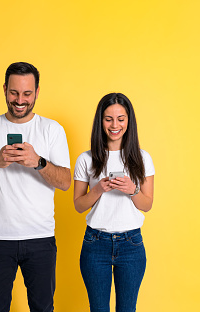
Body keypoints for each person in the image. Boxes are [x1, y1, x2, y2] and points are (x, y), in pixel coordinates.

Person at [0, 62, 71, 312]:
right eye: (14, 93)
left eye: (27, 93)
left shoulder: (52, 130)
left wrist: (38, 162)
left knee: (43, 309)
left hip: (40, 237)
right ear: (4, 89)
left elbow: (65, 182)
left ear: (37, 92)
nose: (20, 100)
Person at [73, 92, 155, 312]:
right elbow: (79, 205)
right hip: (95, 242)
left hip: (131, 244)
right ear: (101, 121)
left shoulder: (142, 158)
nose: (115, 125)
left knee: (127, 309)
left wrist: (132, 189)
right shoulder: (86, 159)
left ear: (129, 121)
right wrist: (98, 189)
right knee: (98, 309)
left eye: (121, 118)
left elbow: (146, 204)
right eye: (108, 119)